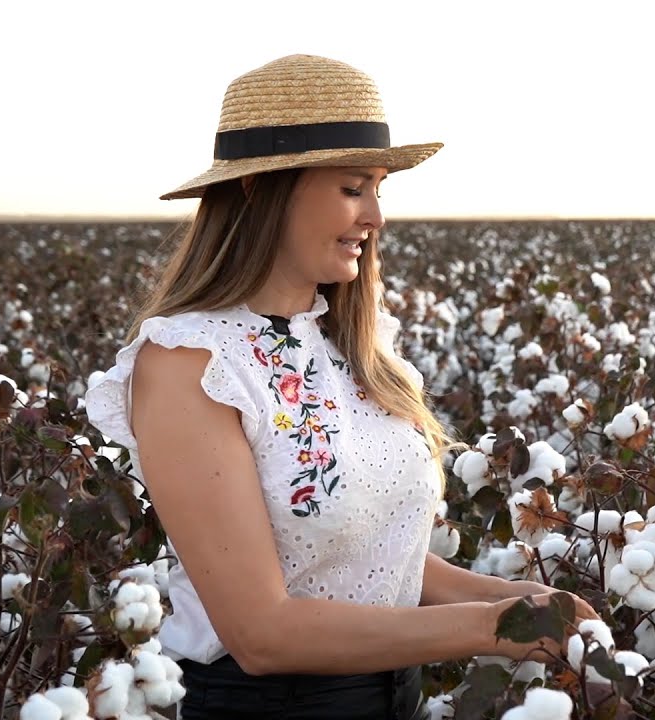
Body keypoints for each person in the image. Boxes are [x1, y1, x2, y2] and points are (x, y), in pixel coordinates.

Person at [84, 54, 598, 720]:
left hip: (395, 695)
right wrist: (492, 626)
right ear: (257, 190)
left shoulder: (351, 343)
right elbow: (262, 634)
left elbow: (372, 560)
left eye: (379, 189)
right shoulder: (192, 362)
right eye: (354, 188)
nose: (376, 216)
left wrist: (521, 600)